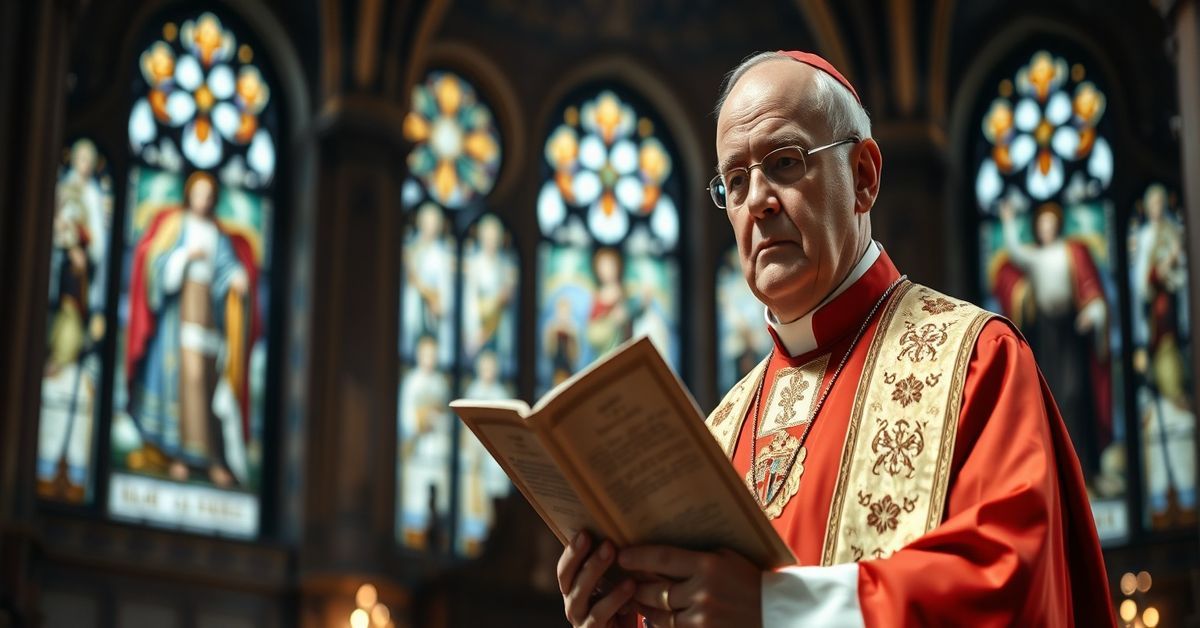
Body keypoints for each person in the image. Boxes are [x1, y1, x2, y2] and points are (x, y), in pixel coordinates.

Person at [556, 50, 1113, 627]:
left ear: (864, 178)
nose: (759, 203)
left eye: (786, 162)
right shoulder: (716, 436)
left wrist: (776, 607)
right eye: (736, 181)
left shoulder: (977, 359)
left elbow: (1012, 584)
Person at [125, 171, 259, 488]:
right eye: (199, 193)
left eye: (209, 195)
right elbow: (154, 263)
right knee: (185, 381)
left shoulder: (217, 234)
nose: (204, 200)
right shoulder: (176, 225)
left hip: (209, 317)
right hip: (178, 314)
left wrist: (237, 278)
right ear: (189, 195)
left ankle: (213, 458)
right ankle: (179, 456)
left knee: (209, 383)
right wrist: (185, 257)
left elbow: (226, 267)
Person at [994, 199, 1112, 482]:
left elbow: (1092, 291)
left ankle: (1081, 466)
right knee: (1054, 396)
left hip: (1071, 329)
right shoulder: (1035, 257)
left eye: (1050, 224)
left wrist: (1092, 313)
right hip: (1046, 334)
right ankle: (1060, 471)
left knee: (1074, 392)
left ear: (1057, 225)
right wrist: (1008, 220)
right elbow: (1015, 253)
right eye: (1042, 224)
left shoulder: (1072, 253)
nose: (1046, 228)